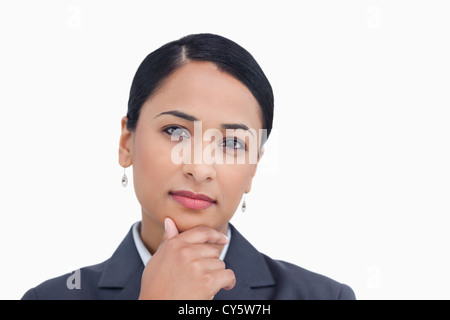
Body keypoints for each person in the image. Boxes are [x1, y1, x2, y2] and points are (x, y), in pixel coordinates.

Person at [22, 33, 355, 300]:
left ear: (253, 168)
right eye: (176, 132)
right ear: (127, 142)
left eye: (232, 143)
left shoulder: (322, 296)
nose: (199, 167)